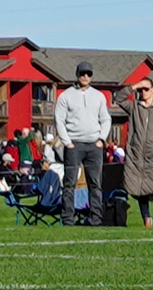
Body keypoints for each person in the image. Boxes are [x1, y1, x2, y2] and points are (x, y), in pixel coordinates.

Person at [56, 62, 111, 228]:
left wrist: (101, 139)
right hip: (74, 145)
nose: (85, 77)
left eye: (88, 74)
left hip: (94, 145)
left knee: (95, 183)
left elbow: (106, 119)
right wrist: (67, 142)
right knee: (69, 183)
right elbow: (59, 120)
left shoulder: (99, 96)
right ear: (77, 74)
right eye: (82, 74)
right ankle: (68, 219)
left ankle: (95, 219)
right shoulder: (66, 96)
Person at [114, 75, 153, 227]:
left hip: (151, 155)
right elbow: (119, 99)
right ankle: (146, 217)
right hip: (137, 155)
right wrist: (134, 86)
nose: (143, 92)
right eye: (141, 89)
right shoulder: (135, 107)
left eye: (146, 88)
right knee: (139, 188)